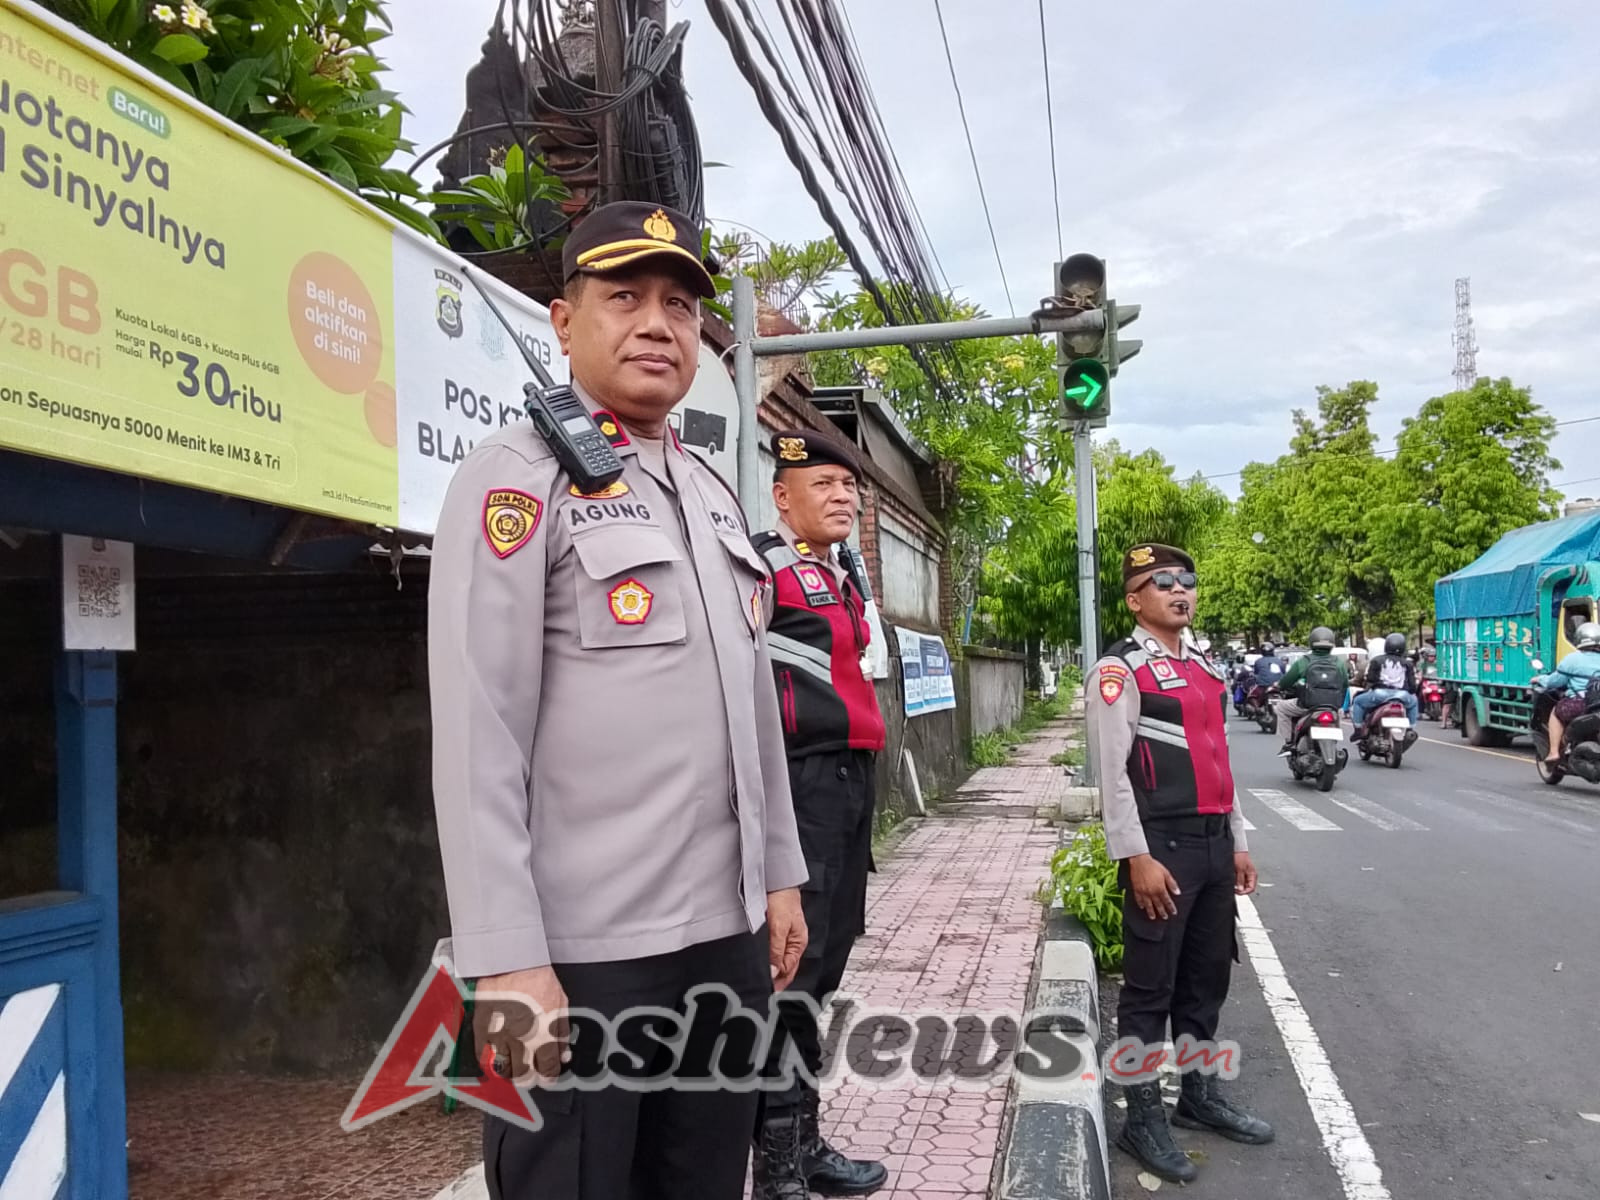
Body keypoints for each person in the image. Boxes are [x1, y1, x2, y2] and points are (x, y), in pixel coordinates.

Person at [426, 200, 810, 1200]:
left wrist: (777, 877)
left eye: (680, 306)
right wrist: (506, 962)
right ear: (563, 321)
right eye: (625, 297)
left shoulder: (716, 497)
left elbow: (752, 712)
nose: (657, 323)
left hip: (720, 944)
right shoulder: (516, 479)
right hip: (583, 957)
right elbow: (478, 732)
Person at [1087, 544, 1271, 1185]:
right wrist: (1134, 856)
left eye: (1186, 581)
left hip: (1215, 845)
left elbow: (1221, 760)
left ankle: (1198, 1096)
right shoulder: (1120, 670)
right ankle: (1141, 1119)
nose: (1178, 590)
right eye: (1160, 582)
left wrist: (1239, 840)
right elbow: (1111, 777)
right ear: (1135, 600)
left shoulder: (1204, 666)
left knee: (1204, 982)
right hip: (1160, 848)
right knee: (1148, 991)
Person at [748, 430, 888, 1199]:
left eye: (849, 486)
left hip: (846, 788)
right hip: (799, 785)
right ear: (782, 494)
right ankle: (773, 1169)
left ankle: (804, 1143)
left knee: (822, 972)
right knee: (789, 977)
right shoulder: (763, 569)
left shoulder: (836, 578)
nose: (843, 497)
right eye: (825, 483)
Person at [1532, 621, 1600, 763]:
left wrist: (1539, 679)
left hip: (1580, 705)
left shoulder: (1572, 659)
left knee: (1556, 713)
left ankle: (1554, 752)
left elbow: (1554, 681)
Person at [1275, 627, 1349, 755]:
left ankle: (1288, 743)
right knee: (1339, 714)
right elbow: (1345, 684)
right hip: (1333, 707)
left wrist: (1279, 686)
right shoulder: (1339, 663)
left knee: (1281, 707)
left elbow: (1286, 682)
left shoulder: (1304, 662)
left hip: (1307, 706)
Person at [1349, 633, 1420, 735]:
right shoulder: (1408, 663)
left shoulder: (1377, 660)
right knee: (1414, 702)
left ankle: (1358, 729)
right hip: (1402, 696)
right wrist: (1410, 693)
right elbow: (1412, 686)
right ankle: (1411, 729)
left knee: (1357, 702)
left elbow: (1371, 680)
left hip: (1380, 694)